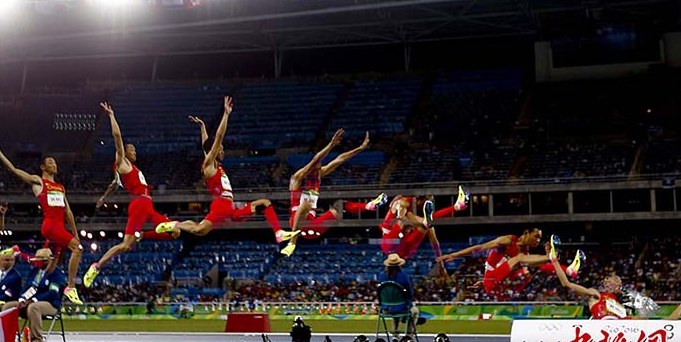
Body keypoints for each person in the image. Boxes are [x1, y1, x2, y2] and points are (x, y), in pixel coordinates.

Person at [157, 96, 294, 240]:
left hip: (231, 208)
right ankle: (174, 224)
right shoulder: (209, 165)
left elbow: (206, 145)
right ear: (214, 151)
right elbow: (218, 137)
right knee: (199, 230)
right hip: (221, 206)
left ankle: (278, 233)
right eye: (220, 149)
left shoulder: (215, 164)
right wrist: (226, 114)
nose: (222, 151)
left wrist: (202, 127)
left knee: (264, 203)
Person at [83, 102, 180, 288]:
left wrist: (104, 197)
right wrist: (111, 115)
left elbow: (113, 184)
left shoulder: (129, 170)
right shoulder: (122, 163)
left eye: (135, 150)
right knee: (125, 245)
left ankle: (142, 235)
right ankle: (96, 266)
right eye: (132, 149)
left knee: (175, 233)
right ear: (124, 153)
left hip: (148, 206)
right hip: (139, 204)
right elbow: (117, 136)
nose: (135, 152)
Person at [0, 143, 83, 304]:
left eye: (55, 162)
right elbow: (14, 170)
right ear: (43, 167)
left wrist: (75, 232)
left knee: (49, 263)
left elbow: (68, 211)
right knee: (77, 249)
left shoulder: (60, 187)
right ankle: (71, 287)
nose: (54, 164)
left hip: (59, 227)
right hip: (50, 225)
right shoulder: (39, 182)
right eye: (50, 162)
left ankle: (18, 254)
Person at [281, 128, 385, 257]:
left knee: (339, 206)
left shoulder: (319, 175)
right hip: (296, 223)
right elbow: (315, 160)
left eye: (320, 166)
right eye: (317, 165)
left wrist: (360, 148)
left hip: (313, 227)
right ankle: (292, 242)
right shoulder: (297, 178)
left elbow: (340, 159)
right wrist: (331, 144)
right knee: (306, 204)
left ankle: (369, 206)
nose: (320, 166)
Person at [437, 228, 583, 301]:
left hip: (503, 287)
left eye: (540, 238)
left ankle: (568, 270)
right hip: (492, 282)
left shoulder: (525, 253)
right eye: (536, 236)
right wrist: (454, 255)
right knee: (522, 260)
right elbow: (479, 248)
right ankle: (551, 258)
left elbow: (507, 269)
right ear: (526, 233)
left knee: (530, 267)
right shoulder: (508, 241)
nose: (538, 241)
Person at [380, 188, 470, 273]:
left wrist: (441, 266)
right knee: (406, 219)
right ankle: (456, 207)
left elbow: (434, 242)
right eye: (427, 201)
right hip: (391, 243)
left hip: (404, 251)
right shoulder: (405, 201)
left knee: (424, 226)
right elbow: (402, 213)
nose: (430, 204)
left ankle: (457, 206)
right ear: (418, 200)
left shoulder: (422, 217)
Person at [1, 247, 67, 342]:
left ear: (46, 261)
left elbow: (52, 293)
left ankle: (37, 341)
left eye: (39, 261)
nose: (36, 263)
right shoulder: (34, 272)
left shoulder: (56, 273)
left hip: (50, 304)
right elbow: (26, 288)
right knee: (8, 306)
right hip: (29, 302)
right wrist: (22, 299)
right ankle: (7, 340)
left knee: (33, 307)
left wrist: (34, 300)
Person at [548, 238, 625, 319]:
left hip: (617, 326)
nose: (620, 283)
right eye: (616, 280)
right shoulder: (596, 294)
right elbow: (566, 284)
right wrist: (555, 261)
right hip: (601, 325)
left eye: (620, 282)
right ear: (607, 284)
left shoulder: (621, 304)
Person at [377, 253, 416, 341]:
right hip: (402, 307)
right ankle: (409, 336)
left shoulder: (381, 276)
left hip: (386, 308)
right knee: (415, 312)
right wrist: (409, 302)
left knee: (395, 311)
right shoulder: (403, 276)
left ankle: (395, 334)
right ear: (399, 264)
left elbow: (379, 292)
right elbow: (410, 293)